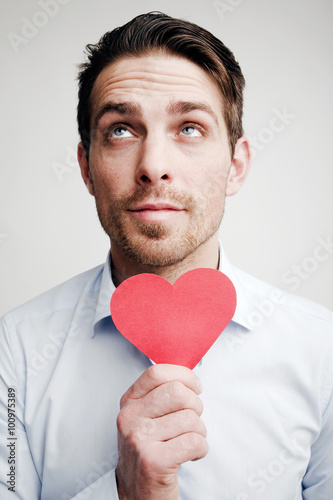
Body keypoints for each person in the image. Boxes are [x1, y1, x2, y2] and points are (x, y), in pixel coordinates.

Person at [0, 11, 332, 500]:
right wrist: (123, 491)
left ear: (236, 166)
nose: (153, 166)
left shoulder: (322, 350)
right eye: (120, 130)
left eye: (190, 128)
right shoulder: (17, 352)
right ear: (86, 168)